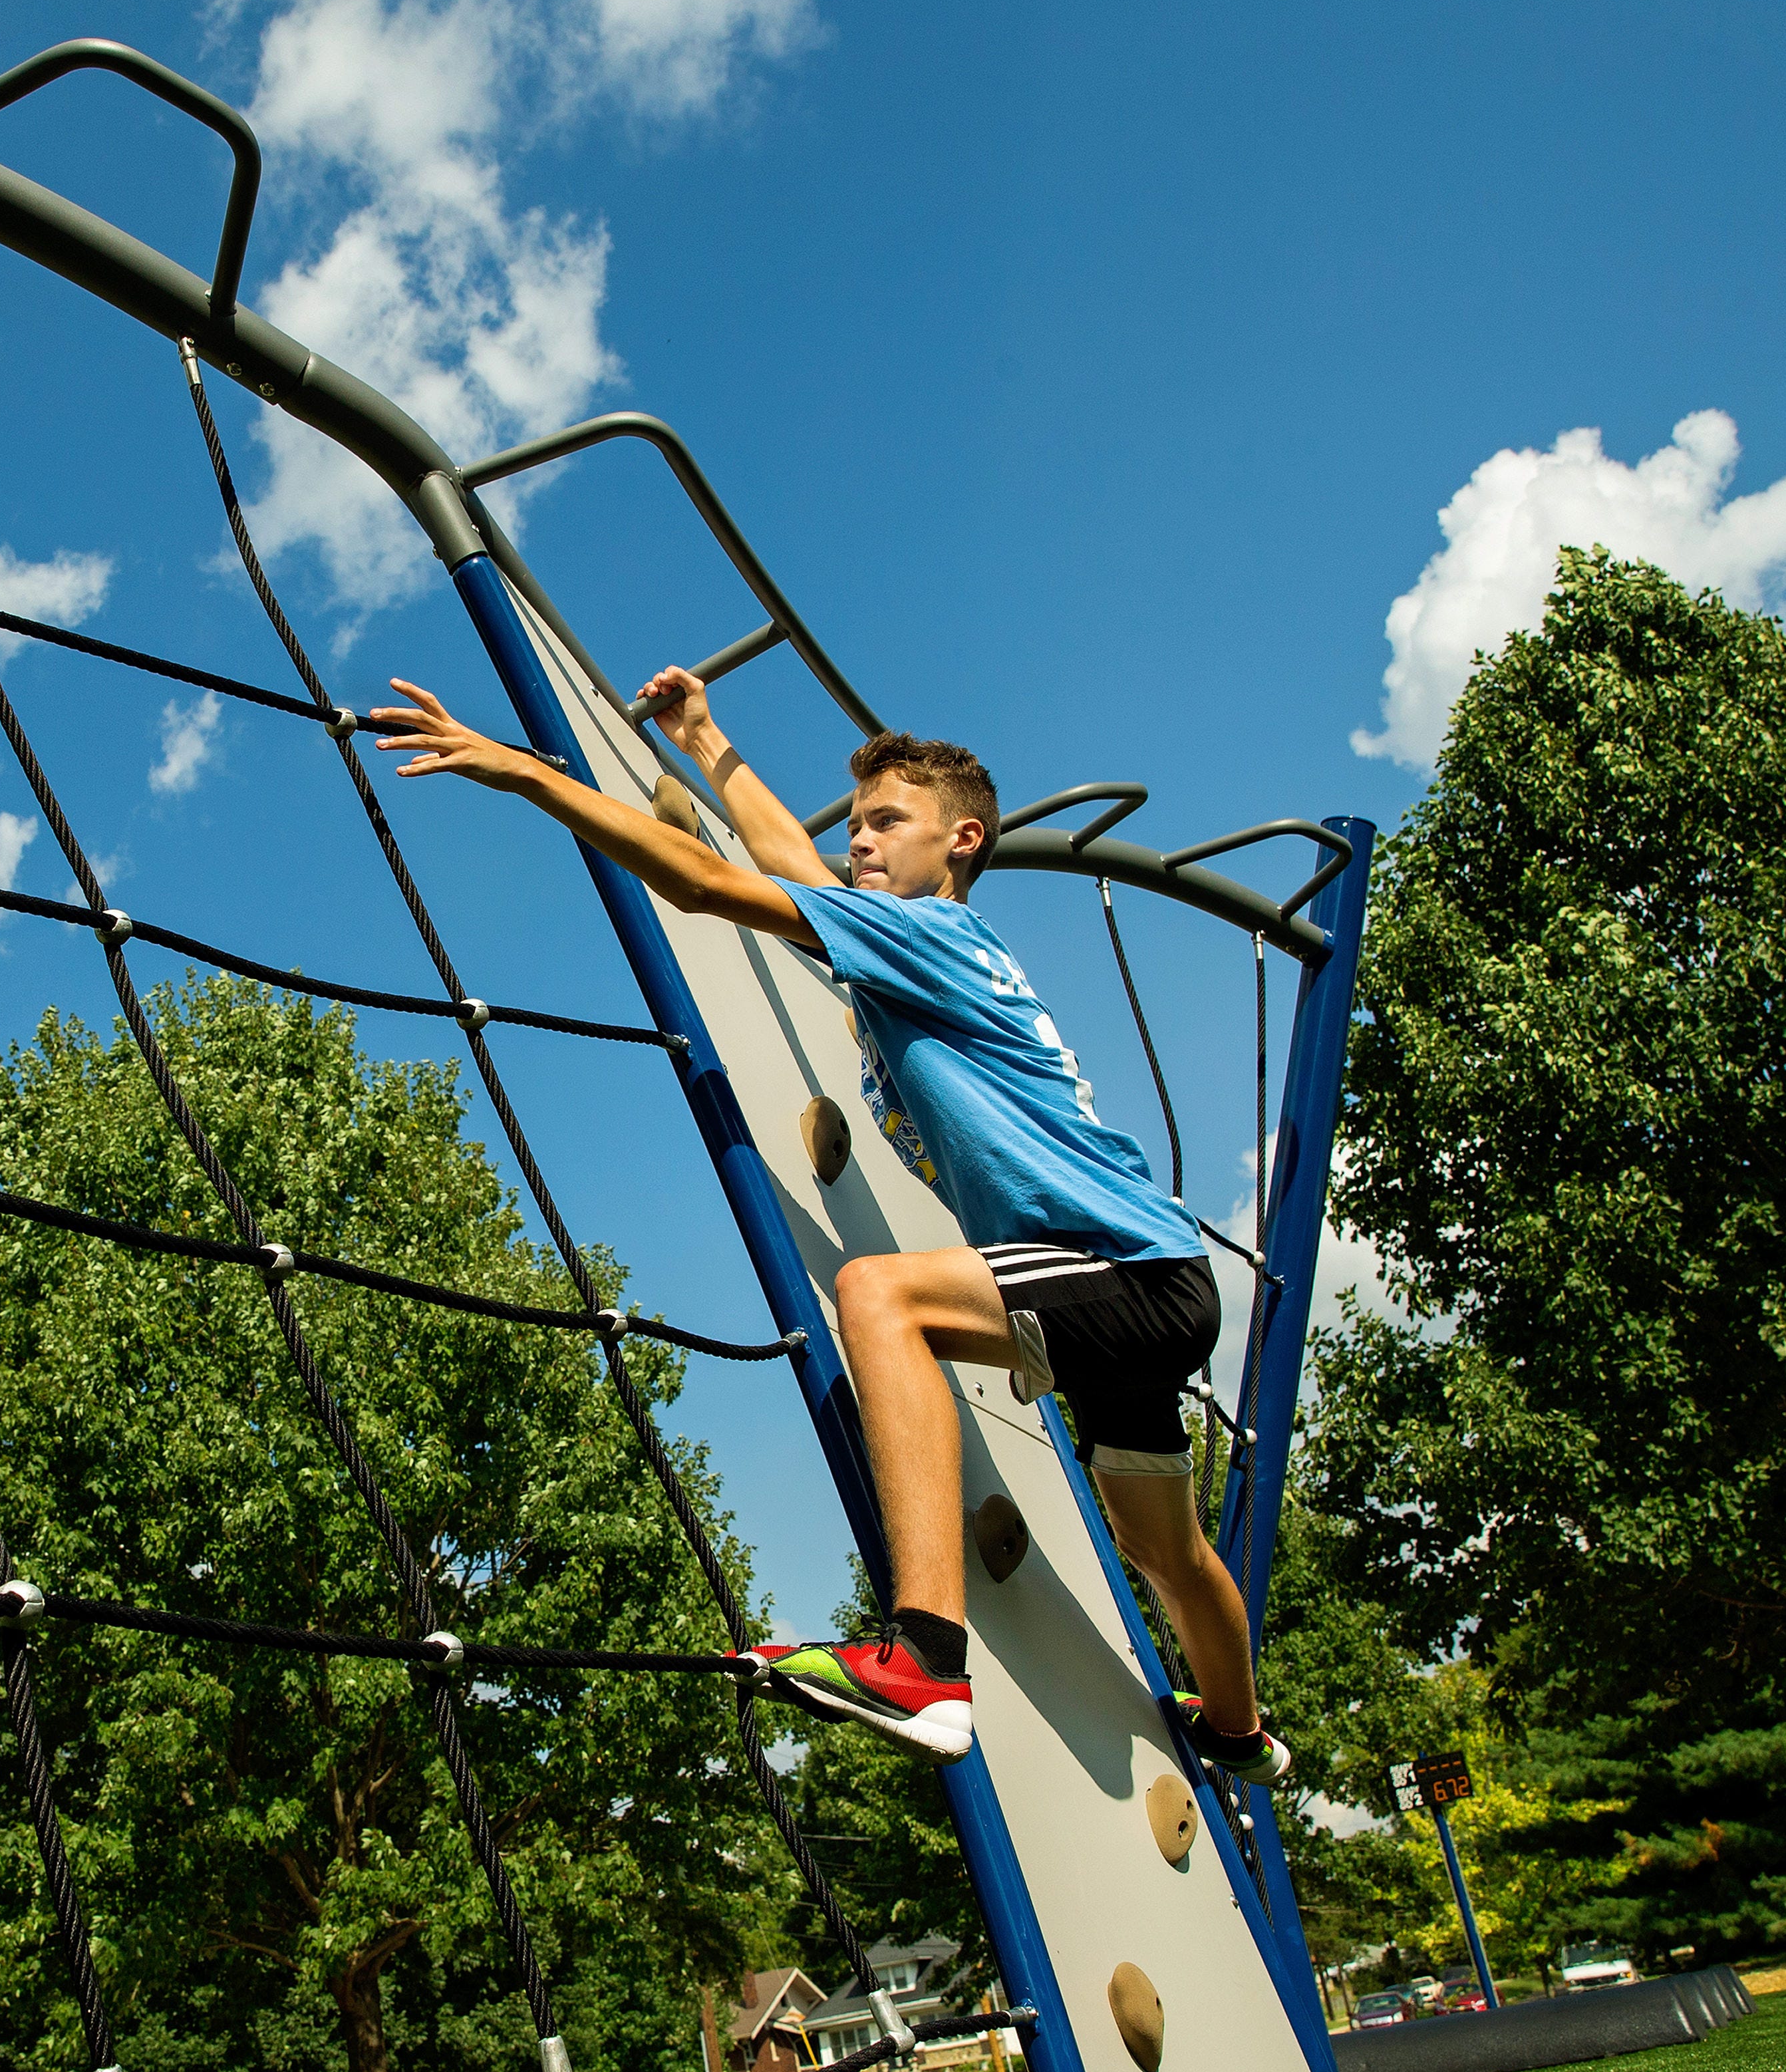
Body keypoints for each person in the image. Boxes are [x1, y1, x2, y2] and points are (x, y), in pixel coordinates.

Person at [368, 668, 1291, 1785]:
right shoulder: (906, 946)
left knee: (877, 1293)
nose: (855, 839)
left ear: (962, 840)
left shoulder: (934, 936)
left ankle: (925, 1661)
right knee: (1165, 1549)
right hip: (1141, 1280)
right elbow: (788, 861)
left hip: (1122, 1264)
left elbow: (712, 884)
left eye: (884, 822)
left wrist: (525, 770)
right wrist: (704, 739)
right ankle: (1242, 1737)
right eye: (854, 822)